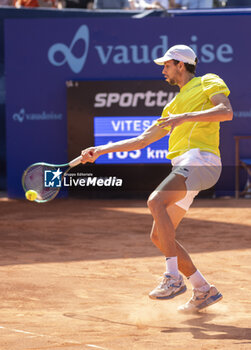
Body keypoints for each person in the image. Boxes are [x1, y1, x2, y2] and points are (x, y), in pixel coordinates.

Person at [80, 44, 233, 313]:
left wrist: (184, 118)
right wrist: (101, 149)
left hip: (201, 159)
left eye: (166, 65)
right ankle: (203, 289)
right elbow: (143, 139)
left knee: (155, 201)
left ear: (180, 65)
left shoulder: (208, 81)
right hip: (186, 167)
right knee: (159, 236)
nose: (163, 70)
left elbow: (226, 111)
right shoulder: (172, 105)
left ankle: (172, 278)